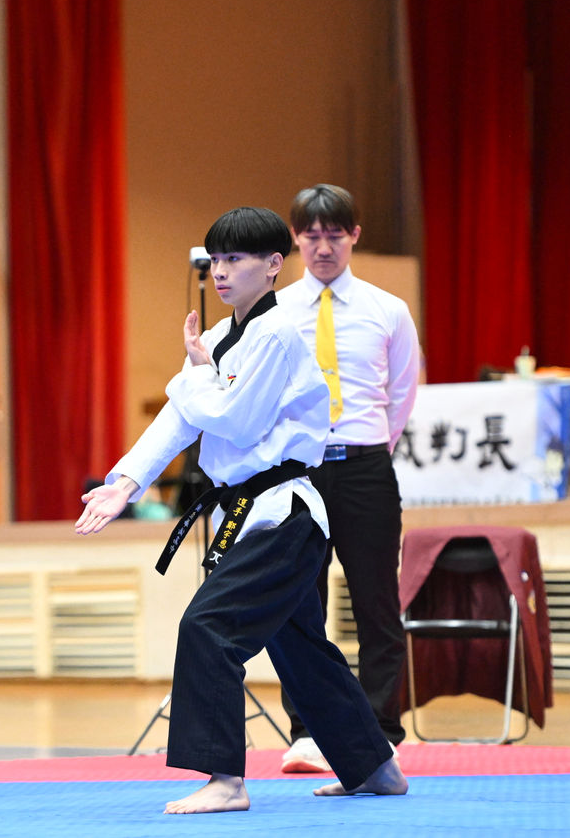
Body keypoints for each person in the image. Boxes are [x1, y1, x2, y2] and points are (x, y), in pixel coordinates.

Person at [75, 207, 406, 814]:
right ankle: (375, 767)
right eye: (216, 260)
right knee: (300, 647)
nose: (221, 272)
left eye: (235, 259)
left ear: (274, 265)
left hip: (283, 515)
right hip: (252, 512)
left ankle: (225, 780)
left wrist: (198, 377)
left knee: (208, 628)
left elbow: (237, 419)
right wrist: (125, 483)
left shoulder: (278, 334)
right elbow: (178, 420)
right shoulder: (219, 340)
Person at [276, 185, 420, 772]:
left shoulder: (389, 310)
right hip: (298, 471)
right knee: (297, 604)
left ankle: (381, 729)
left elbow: (402, 394)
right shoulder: (275, 312)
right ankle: (307, 732)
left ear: (355, 236)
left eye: (334, 235)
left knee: (376, 603)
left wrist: (368, 450)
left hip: (364, 468)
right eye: (311, 236)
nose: (323, 247)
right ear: (295, 239)